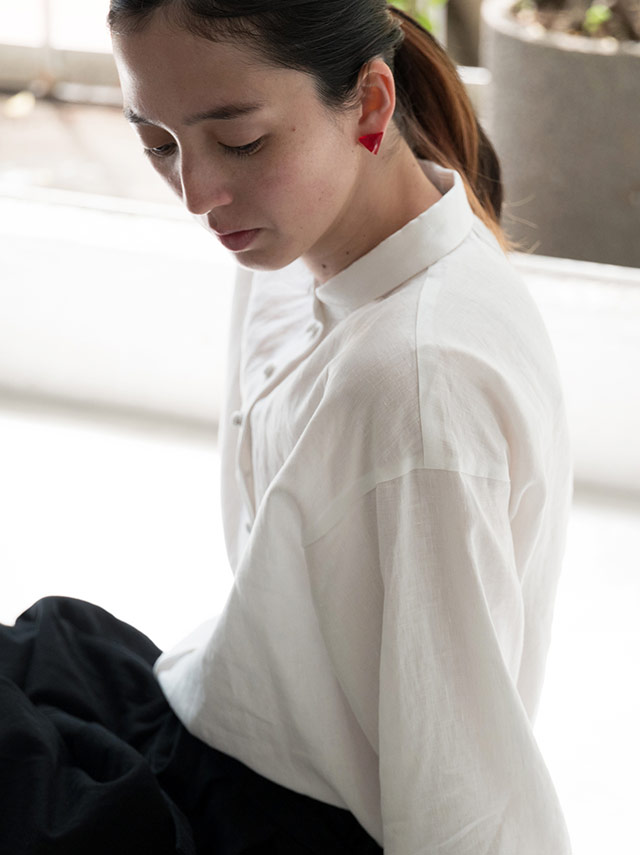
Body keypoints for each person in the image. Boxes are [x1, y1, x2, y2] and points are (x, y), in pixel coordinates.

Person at [0, 2, 574, 853]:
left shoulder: (413, 385)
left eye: (240, 141)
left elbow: (462, 788)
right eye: (158, 143)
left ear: (370, 105)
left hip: (284, 817)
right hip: (224, 714)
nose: (197, 194)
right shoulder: (299, 246)